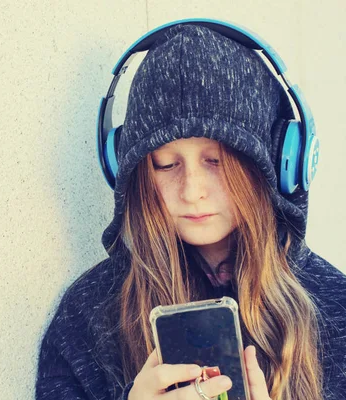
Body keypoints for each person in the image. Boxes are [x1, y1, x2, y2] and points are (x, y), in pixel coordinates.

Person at [35, 22, 346, 400]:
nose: (192, 191)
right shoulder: (85, 319)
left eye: (216, 161)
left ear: (280, 160)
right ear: (128, 170)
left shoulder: (337, 310)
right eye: (166, 164)